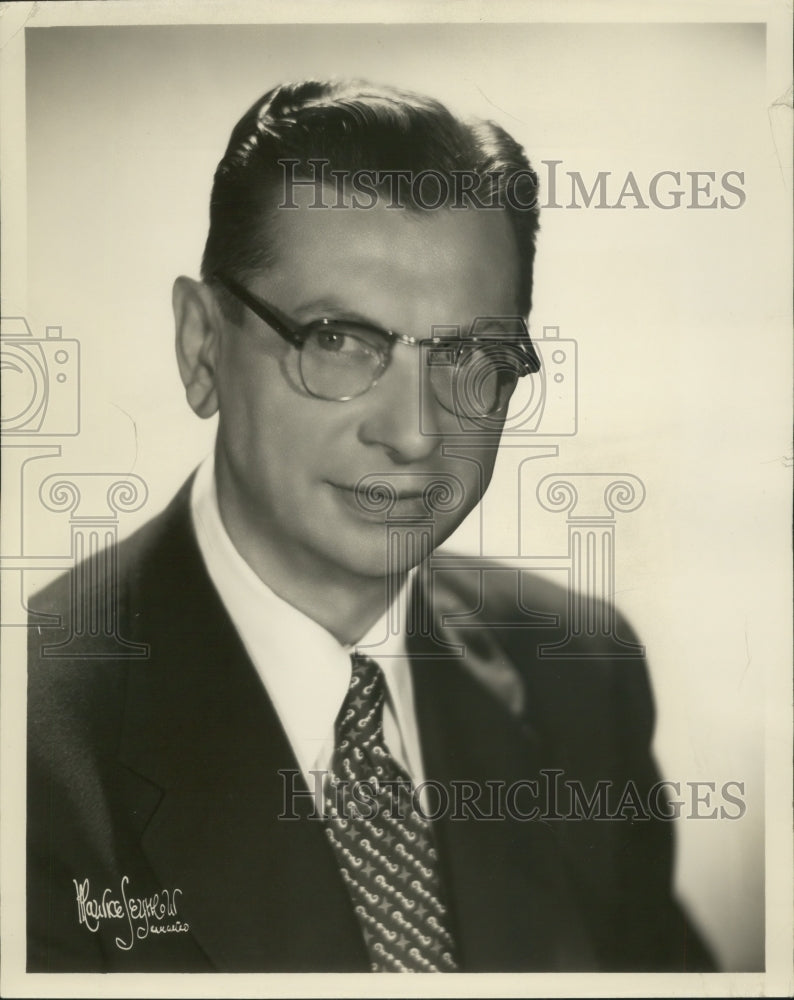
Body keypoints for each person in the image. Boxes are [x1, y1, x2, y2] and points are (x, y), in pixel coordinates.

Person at [26, 79, 713, 973]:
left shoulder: (581, 678)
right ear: (202, 346)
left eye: (469, 356)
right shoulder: (31, 751)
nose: (417, 432)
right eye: (341, 341)